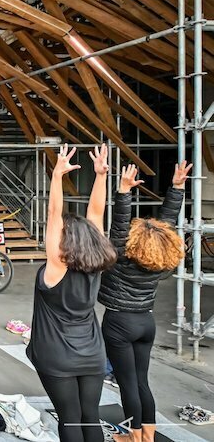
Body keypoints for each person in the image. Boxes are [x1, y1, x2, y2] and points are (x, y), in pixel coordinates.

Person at [28, 145, 116, 442]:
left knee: (69, 419)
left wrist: (56, 178)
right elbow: (96, 213)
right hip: (92, 354)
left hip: (57, 357)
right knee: (90, 417)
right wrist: (101, 176)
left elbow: (54, 214)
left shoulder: (56, 266)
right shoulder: (95, 265)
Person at [98, 161, 188, 442]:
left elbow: (120, 224)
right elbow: (167, 225)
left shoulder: (123, 256)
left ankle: (134, 437)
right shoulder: (160, 260)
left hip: (119, 322)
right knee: (141, 381)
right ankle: (148, 434)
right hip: (146, 322)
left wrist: (123, 191)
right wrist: (177, 188)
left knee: (127, 384)